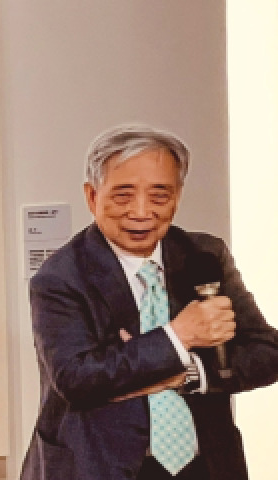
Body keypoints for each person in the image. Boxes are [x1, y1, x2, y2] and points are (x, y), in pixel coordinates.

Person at [19, 123, 278, 480]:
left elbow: (267, 352)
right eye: (123, 196)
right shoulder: (60, 277)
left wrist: (190, 372)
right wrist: (179, 336)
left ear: (178, 196)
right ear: (92, 196)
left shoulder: (205, 255)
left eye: (159, 196)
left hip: (206, 464)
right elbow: (77, 379)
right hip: (100, 465)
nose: (141, 212)